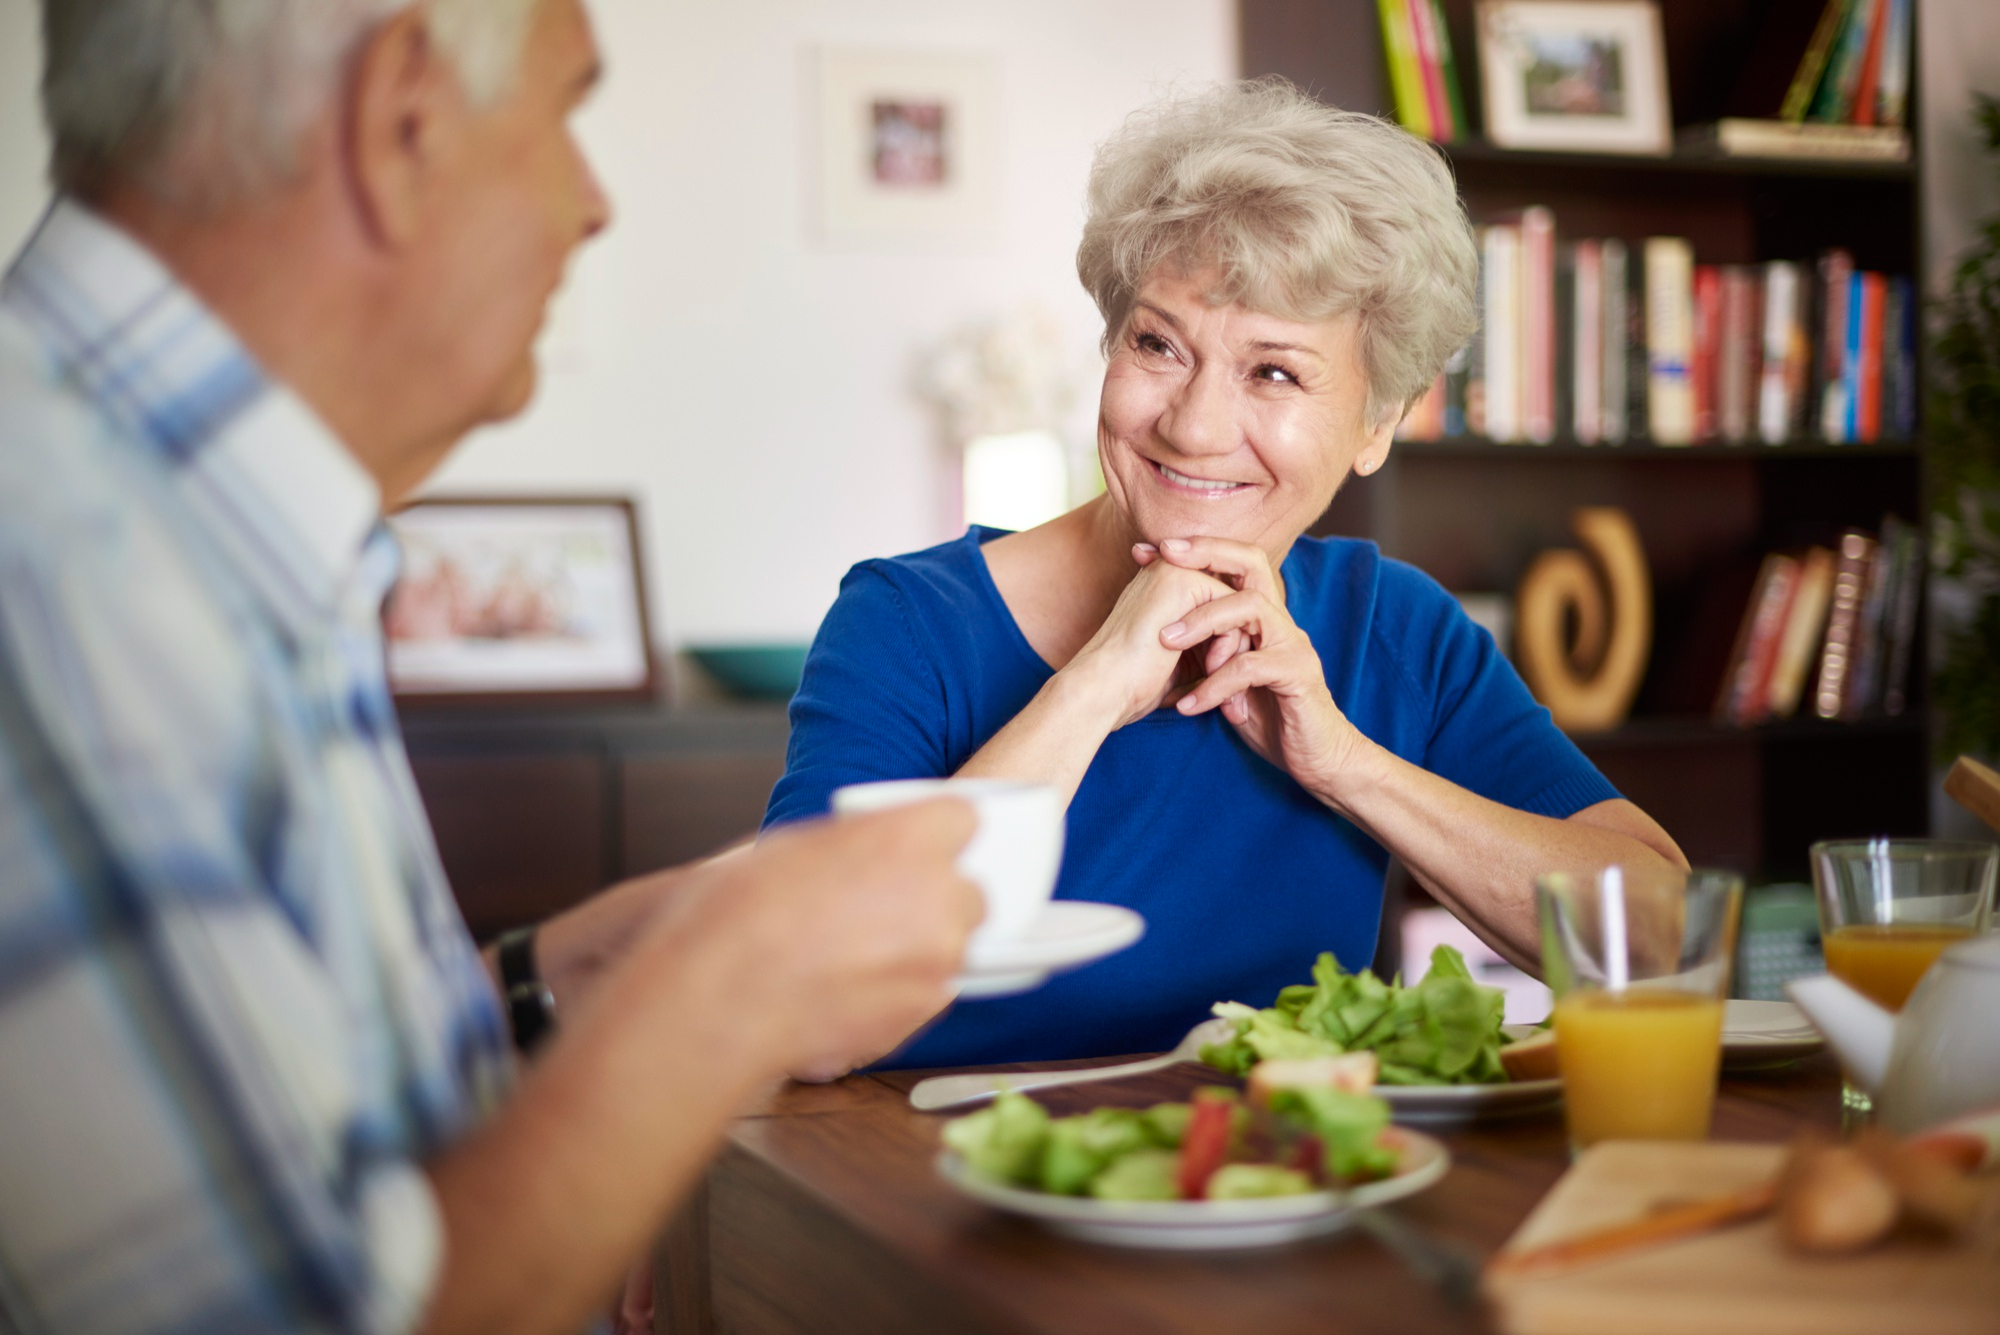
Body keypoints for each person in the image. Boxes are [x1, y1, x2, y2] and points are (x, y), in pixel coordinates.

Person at [0, 3, 984, 1334]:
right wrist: (724, 990)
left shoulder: (187, 522)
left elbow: (270, 1099)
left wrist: (539, 981)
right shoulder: (59, 569)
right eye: (566, 110)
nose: (594, 206)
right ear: (403, 117)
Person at [767, 81, 1687, 1069]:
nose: (1194, 425)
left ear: (1376, 424)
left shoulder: (1390, 626)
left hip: (1276, 1183)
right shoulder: (908, 622)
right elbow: (796, 1006)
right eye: (1156, 345)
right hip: (927, 1186)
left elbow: (1652, 938)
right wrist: (1094, 684)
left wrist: (1345, 766)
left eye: (1274, 372)